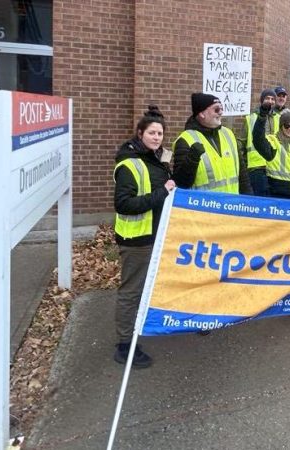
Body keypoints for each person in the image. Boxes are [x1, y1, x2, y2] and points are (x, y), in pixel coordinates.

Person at [113, 106, 176, 368]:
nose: (157, 137)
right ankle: (125, 346)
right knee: (132, 292)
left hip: (155, 234)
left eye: (160, 133)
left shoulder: (155, 158)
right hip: (137, 240)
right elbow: (124, 204)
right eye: (152, 133)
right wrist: (161, 192)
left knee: (145, 290)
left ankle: (138, 331)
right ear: (140, 134)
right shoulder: (129, 164)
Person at [172, 93, 252, 194]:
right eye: (216, 110)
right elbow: (181, 184)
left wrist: (248, 201)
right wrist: (192, 160)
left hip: (232, 205)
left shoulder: (228, 134)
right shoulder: (185, 140)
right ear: (201, 113)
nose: (221, 113)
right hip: (204, 207)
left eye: (222, 109)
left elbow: (242, 175)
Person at [252, 107, 290, 199]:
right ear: (281, 127)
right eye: (286, 125)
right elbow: (258, 139)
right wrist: (262, 118)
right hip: (278, 195)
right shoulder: (273, 141)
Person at [238, 88, 278, 196]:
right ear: (261, 100)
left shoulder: (279, 118)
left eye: (272, 99)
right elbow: (241, 143)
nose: (270, 101)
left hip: (275, 167)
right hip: (256, 167)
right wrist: (243, 165)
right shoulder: (250, 118)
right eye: (267, 98)